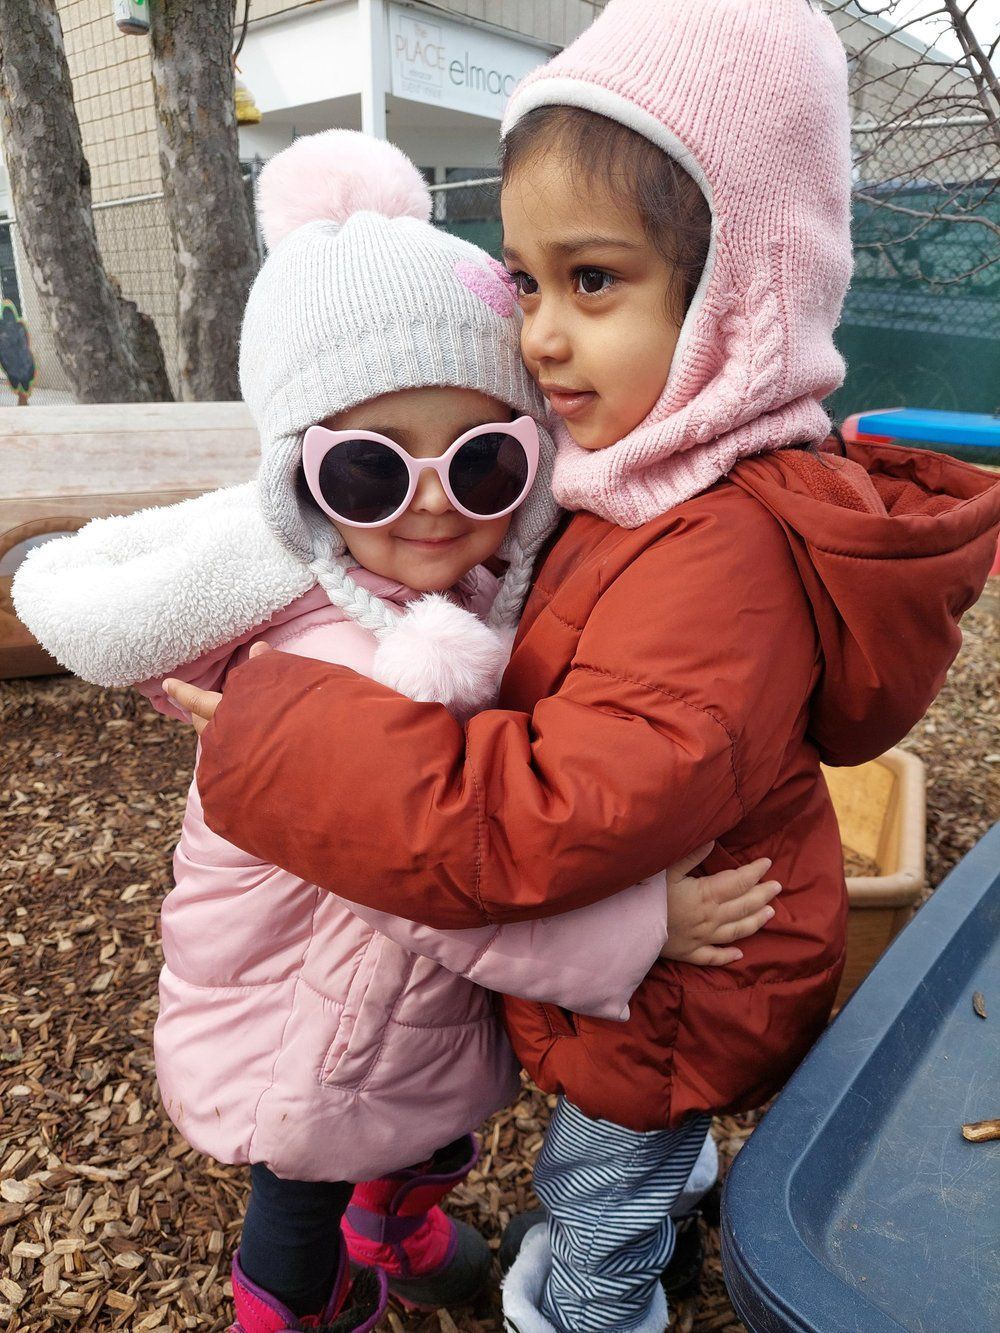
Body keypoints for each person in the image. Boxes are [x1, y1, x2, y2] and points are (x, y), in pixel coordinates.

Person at [171, 3, 1000, 1331]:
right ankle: (682, 1194)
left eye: (594, 281)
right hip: (661, 967)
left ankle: (609, 1297)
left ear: (739, 290)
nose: (543, 335)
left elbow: (559, 809)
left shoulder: (716, 551)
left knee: (583, 1229)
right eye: (526, 281)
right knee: (639, 1167)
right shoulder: (647, 480)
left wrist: (283, 733)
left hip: (671, 1004)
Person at [13, 129, 780, 1333]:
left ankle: (402, 1224)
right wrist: (637, 925)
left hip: (389, 1022)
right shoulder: (339, 662)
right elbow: (426, 884)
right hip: (309, 1034)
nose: (429, 501)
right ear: (300, 489)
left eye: (478, 463)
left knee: (422, 1139)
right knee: (299, 1206)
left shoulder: (463, 604)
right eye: (370, 474)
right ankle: (306, 1311)